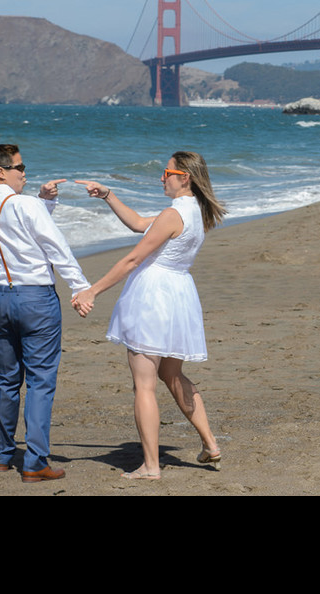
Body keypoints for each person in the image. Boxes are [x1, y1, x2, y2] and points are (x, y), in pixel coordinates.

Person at [72, 151, 226, 480]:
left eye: (167, 172)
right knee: (172, 375)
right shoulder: (194, 210)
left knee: (144, 385)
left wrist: (92, 291)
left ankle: (151, 466)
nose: (161, 177)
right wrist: (109, 195)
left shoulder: (174, 213)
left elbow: (131, 260)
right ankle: (211, 444)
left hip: (153, 298)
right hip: (178, 296)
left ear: (185, 177)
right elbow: (140, 225)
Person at [0, 143, 90, 483]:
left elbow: (23, 232)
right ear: (1, 172)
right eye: (19, 168)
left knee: (5, 379)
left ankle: (1, 455)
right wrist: (79, 286)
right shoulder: (24, 204)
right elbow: (54, 244)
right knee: (40, 381)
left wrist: (46, 201)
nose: (24, 173)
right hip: (36, 298)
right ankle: (35, 462)